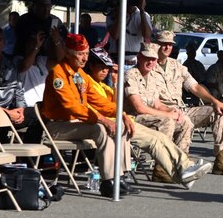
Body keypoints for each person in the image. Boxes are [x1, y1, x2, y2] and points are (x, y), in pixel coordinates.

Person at [42, 34, 210, 196]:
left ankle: (120, 177)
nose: (84, 59)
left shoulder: (80, 75)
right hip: (59, 125)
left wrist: (120, 113)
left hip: (81, 123)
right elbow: (73, 107)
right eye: (80, 54)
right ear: (68, 53)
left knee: (117, 127)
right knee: (102, 129)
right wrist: (104, 119)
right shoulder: (59, 74)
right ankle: (109, 181)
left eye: (86, 53)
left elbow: (100, 102)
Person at [154, 30, 223, 177]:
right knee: (179, 121)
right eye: (163, 44)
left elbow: (194, 87)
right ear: (155, 45)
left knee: (218, 111)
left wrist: (215, 102)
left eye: (170, 44)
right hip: (161, 112)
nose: (167, 47)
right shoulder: (148, 65)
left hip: (181, 109)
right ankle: (172, 165)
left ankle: (221, 160)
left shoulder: (177, 66)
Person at [124, 42, 194, 180]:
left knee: (185, 121)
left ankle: (182, 165)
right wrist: (167, 114)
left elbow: (156, 103)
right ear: (139, 57)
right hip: (133, 118)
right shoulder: (130, 75)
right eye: (147, 58)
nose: (150, 62)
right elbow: (139, 108)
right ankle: (161, 168)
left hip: (150, 117)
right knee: (167, 121)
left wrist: (173, 110)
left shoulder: (151, 77)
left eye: (154, 59)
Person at [104, 0, 152, 69]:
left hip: (133, 63)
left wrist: (142, 11)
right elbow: (115, 35)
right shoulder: (113, 14)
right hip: (115, 62)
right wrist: (121, 11)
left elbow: (147, 35)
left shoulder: (144, 15)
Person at [15, 0, 65, 67]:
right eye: (42, 5)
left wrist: (57, 40)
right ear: (34, 6)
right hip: (28, 64)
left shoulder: (55, 21)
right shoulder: (24, 20)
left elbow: (64, 44)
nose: (46, 9)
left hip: (50, 62)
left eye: (48, 6)